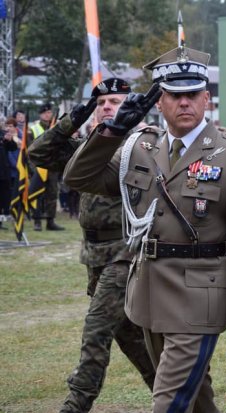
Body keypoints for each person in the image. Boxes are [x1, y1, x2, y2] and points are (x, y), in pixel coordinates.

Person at [64, 45, 226, 413]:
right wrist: (111, 131)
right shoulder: (139, 148)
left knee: (169, 402)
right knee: (196, 399)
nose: (185, 102)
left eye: (193, 94)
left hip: (200, 300)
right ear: (159, 102)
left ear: (207, 99)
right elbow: (78, 176)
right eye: (175, 95)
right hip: (148, 295)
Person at [29, 78, 156, 413]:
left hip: (124, 254)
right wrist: (77, 116)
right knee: (130, 337)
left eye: (113, 102)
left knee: (96, 329)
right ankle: (177, 394)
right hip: (95, 256)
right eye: (101, 103)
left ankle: (76, 404)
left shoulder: (138, 148)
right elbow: (38, 152)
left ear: (130, 105)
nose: (106, 108)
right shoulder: (88, 149)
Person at [29, 102, 64, 231]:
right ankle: (37, 222)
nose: (47, 115)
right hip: (38, 168)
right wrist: (32, 169)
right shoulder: (33, 129)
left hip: (52, 168)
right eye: (45, 113)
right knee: (37, 195)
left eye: (49, 112)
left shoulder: (54, 127)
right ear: (40, 114)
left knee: (52, 194)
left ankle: (51, 221)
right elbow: (29, 151)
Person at [0, 118, 18, 228]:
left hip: (4, 171)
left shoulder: (3, 133)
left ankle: (1, 220)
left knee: (4, 197)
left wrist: (9, 140)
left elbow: (13, 147)